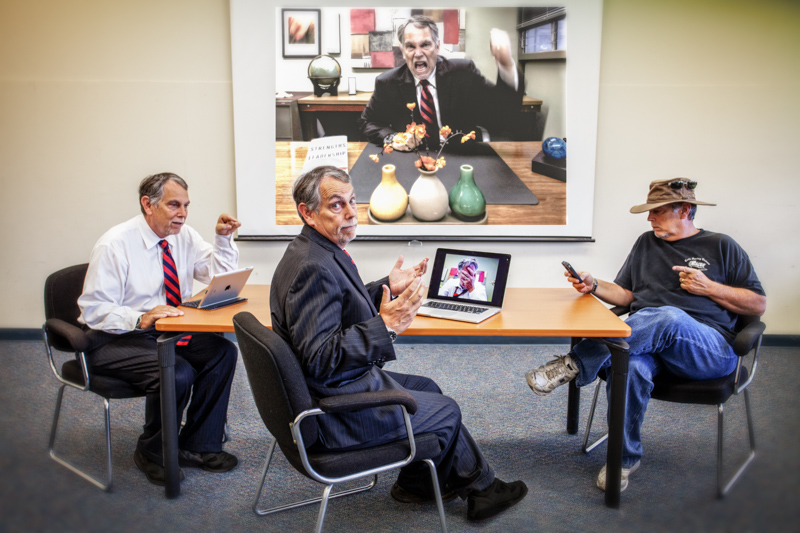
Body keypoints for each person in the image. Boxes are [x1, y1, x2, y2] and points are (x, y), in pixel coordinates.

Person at [270, 165, 528, 521]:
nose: (350, 213)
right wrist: (385, 326)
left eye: (352, 202)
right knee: (447, 409)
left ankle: (416, 484)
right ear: (307, 212)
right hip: (334, 409)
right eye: (336, 205)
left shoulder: (313, 251)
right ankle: (482, 491)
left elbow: (338, 306)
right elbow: (320, 358)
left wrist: (384, 285)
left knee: (428, 388)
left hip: (334, 387)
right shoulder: (312, 269)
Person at [524, 178, 766, 492]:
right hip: (651, 344)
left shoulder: (722, 245)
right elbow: (626, 295)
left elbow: (758, 303)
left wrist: (711, 288)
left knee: (667, 316)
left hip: (710, 350)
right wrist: (593, 284)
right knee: (631, 367)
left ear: (685, 210)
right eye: (649, 212)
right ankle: (623, 460)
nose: (649, 218)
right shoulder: (645, 243)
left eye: (658, 211)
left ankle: (574, 363)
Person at [78, 172, 242, 486]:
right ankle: (153, 452)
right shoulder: (115, 244)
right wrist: (140, 317)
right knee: (176, 371)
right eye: (174, 205)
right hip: (113, 336)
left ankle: (198, 445)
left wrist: (222, 239)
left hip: (163, 331)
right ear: (148, 204)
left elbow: (216, 275)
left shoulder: (185, 236)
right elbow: (93, 310)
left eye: (186, 205)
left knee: (221, 353)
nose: (183, 213)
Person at [358, 15, 524, 149]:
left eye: (425, 45)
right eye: (410, 46)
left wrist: (506, 64)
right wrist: (394, 138)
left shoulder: (463, 73)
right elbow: (368, 122)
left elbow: (503, 110)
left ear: (437, 47)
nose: (418, 53)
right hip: (414, 158)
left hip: (462, 153)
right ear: (402, 52)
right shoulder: (387, 83)